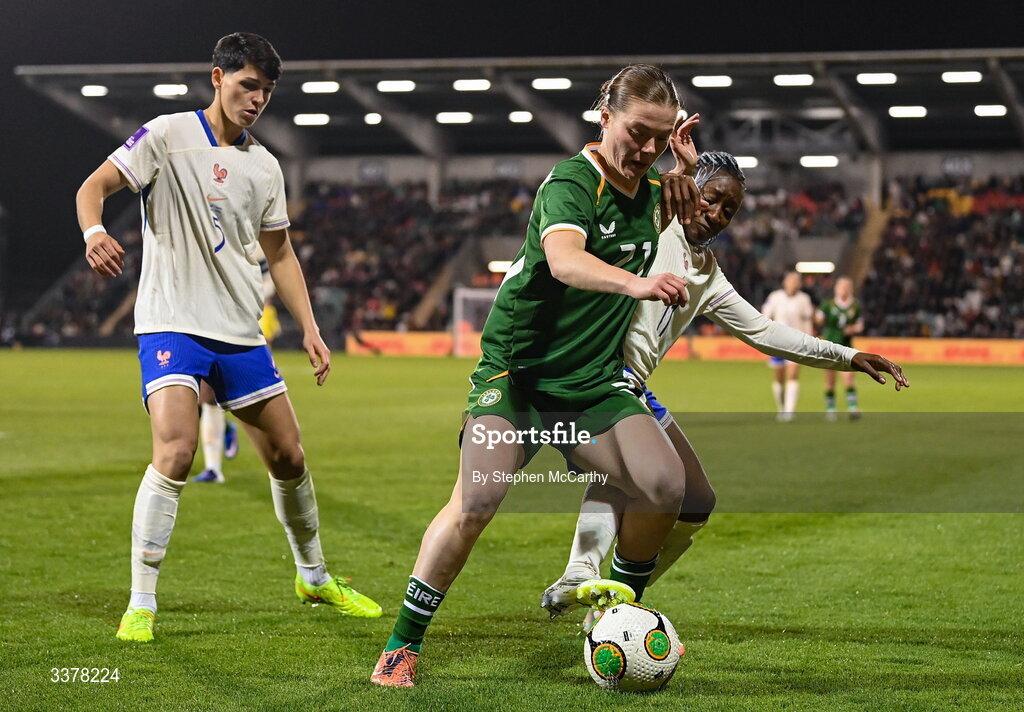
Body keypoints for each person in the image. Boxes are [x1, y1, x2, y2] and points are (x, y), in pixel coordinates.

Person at [371, 64, 706, 687]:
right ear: (603, 117)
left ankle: (619, 618)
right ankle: (401, 645)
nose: (648, 148)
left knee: (665, 486)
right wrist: (641, 283)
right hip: (517, 380)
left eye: (661, 137)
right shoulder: (574, 182)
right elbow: (565, 259)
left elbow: (692, 203)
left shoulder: (655, 187)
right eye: (638, 132)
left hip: (590, 385)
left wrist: (685, 173)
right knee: (477, 501)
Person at [76, 32, 382, 643]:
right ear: (217, 78)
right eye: (247, 86)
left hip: (241, 331)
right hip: (171, 322)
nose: (256, 100)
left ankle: (314, 576)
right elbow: (94, 188)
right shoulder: (165, 134)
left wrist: (311, 329)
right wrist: (92, 233)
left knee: (290, 456)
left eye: (266, 92)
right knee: (177, 451)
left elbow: (281, 253)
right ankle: (141, 601)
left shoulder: (266, 166)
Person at [542, 151, 909, 627]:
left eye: (729, 210)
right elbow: (624, 184)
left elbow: (765, 331)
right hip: (593, 377)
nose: (716, 214)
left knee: (697, 502)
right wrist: (669, 168)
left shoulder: (708, 273)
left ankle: (615, 598)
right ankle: (586, 580)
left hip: (633, 386)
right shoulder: (654, 225)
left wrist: (846, 355)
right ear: (689, 191)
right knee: (632, 474)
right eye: (710, 198)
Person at [194, 255, 277, 483]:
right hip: (206, 318)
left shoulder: (256, 243)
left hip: (243, 322)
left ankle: (281, 467)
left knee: (231, 397)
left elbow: (271, 277)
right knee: (198, 396)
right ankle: (214, 466)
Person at [762, 270, 815, 421]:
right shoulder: (775, 297)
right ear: (784, 282)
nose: (793, 283)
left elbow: (807, 320)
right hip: (777, 343)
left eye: (796, 280)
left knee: (792, 376)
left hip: (797, 342)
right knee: (779, 378)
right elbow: (765, 316)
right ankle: (781, 408)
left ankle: (789, 411)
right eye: (791, 280)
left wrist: (808, 339)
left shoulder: (804, 299)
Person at [816, 276, 864, 420]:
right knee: (830, 380)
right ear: (836, 289)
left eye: (846, 287)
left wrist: (853, 328)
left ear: (851, 290)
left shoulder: (855, 306)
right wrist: (818, 319)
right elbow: (818, 317)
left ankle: (852, 407)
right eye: (841, 287)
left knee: (849, 377)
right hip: (830, 347)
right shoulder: (828, 304)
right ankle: (830, 410)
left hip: (847, 347)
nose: (844, 290)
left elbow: (860, 325)